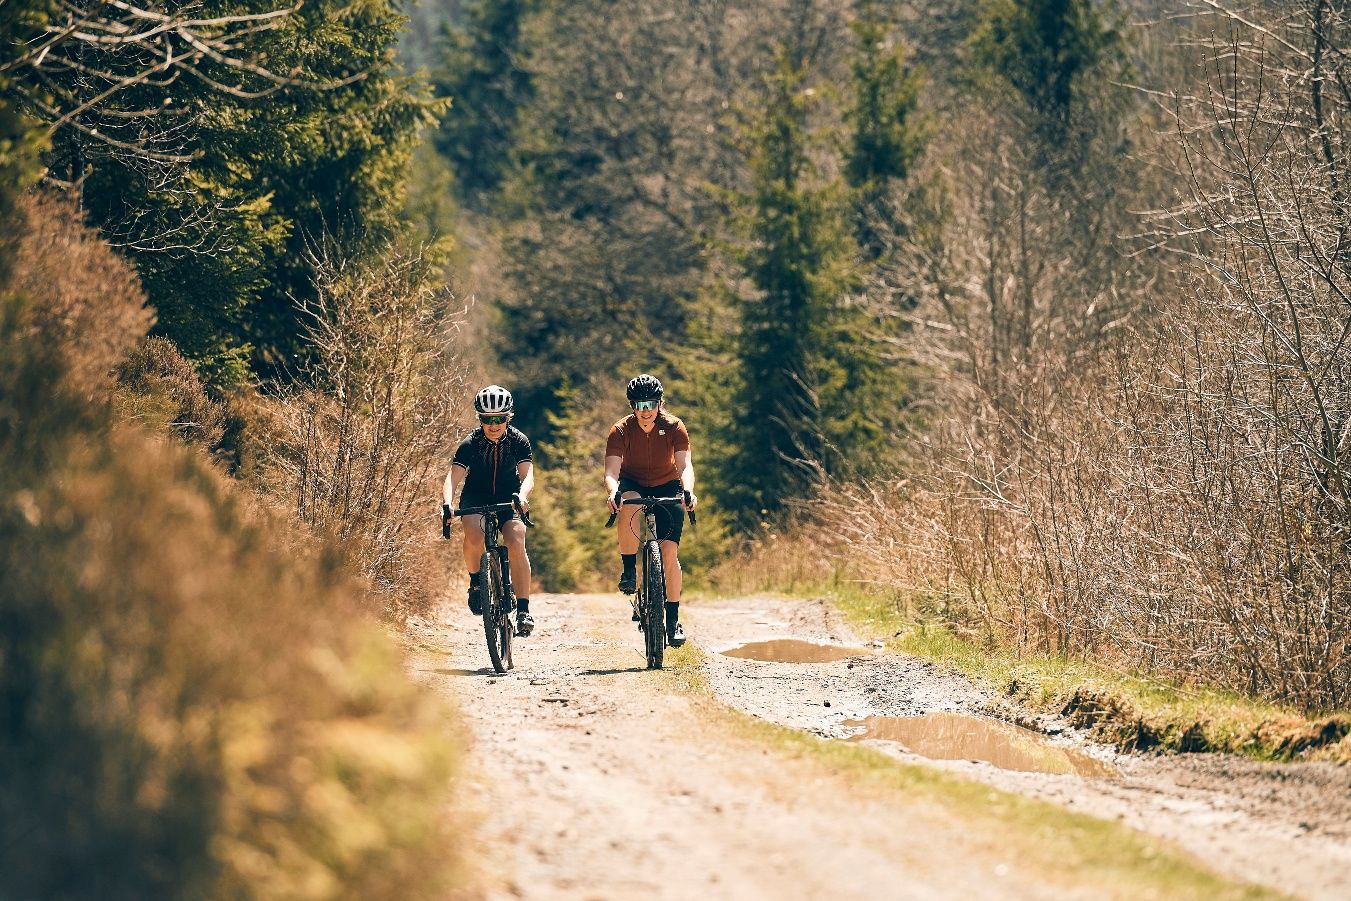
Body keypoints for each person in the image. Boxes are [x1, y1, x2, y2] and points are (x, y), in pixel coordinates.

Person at [603, 373, 697, 647]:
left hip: (667, 484)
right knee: (628, 503)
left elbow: (684, 465)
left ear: (659, 403)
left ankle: (672, 620)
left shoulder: (674, 426)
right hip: (633, 483)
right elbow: (611, 470)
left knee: (669, 554)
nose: (645, 411)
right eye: (639, 405)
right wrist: (613, 491)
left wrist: (688, 490)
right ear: (632, 406)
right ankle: (629, 571)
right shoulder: (620, 430)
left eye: (650, 404)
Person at [442, 384, 536, 636]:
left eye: (499, 419)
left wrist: (523, 496)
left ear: (508, 417)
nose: (494, 425)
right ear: (480, 419)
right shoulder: (470, 444)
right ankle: (476, 583)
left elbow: (528, 476)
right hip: (476, 496)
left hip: (510, 496)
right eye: (487, 419)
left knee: (516, 539)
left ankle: (524, 609)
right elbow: (452, 479)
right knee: (473, 534)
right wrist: (448, 504)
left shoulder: (518, 441)